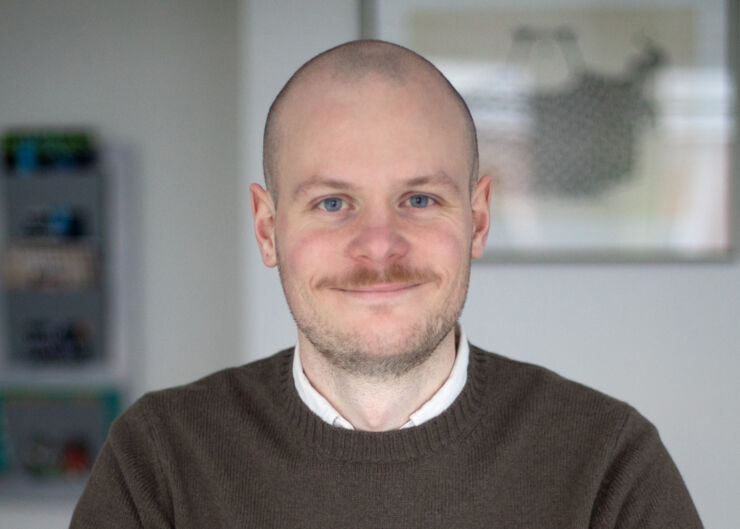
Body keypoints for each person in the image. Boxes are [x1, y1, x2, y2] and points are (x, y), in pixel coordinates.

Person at [71, 40, 703, 528]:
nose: (379, 246)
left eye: (420, 199)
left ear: (477, 220)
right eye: (331, 203)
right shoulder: (159, 460)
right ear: (267, 230)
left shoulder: (606, 463)